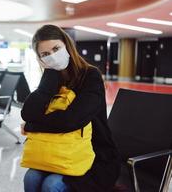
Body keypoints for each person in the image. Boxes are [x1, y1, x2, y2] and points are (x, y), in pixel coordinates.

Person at [21, 25, 121, 192]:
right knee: (31, 177)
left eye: (56, 49)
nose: (52, 56)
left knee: (51, 185)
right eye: (45, 54)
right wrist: (49, 75)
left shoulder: (91, 76)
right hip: (57, 152)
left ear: (67, 45)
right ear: (40, 59)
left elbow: (70, 121)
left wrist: (32, 126)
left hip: (94, 155)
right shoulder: (51, 79)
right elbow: (28, 113)